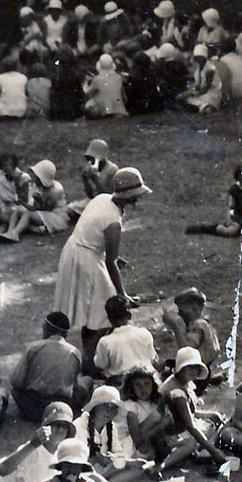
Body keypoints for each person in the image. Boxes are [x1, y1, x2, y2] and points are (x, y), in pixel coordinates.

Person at [56, 169, 152, 360]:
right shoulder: (113, 222)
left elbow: (95, 235)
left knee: (94, 309)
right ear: (129, 196)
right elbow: (110, 261)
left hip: (77, 251)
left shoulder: (102, 198)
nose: (137, 200)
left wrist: (114, 256)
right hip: (85, 259)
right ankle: (92, 360)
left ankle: (91, 356)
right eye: (135, 196)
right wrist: (122, 294)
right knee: (102, 308)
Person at [0, 402, 80, 482]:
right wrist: (32, 445)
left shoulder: (67, 455)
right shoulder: (31, 450)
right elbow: (3, 470)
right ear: (45, 427)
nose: (60, 429)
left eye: (64, 425)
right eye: (56, 424)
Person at [9, 311, 87, 422]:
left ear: (47, 329)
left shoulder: (33, 347)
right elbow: (74, 385)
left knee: (15, 391)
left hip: (33, 408)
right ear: (66, 334)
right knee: (87, 382)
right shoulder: (75, 352)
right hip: (61, 409)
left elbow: (16, 382)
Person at [92, 295, 157, 385]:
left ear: (109, 319)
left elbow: (100, 364)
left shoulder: (105, 341)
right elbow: (153, 358)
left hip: (122, 383)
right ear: (129, 316)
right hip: (148, 380)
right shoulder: (145, 333)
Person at [157, 287, 221, 366]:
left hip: (197, 369)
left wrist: (177, 326)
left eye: (182, 311)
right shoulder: (206, 325)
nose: (180, 314)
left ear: (195, 309)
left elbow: (187, 352)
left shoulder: (199, 324)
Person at [68, 139, 119, 217]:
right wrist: (85, 179)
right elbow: (90, 195)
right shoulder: (94, 169)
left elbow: (108, 196)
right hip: (95, 201)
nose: (90, 161)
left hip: (106, 205)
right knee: (68, 210)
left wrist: (95, 179)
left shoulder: (112, 169)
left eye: (92, 158)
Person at [183, 44, 228, 114]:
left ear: (205, 57)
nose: (198, 60)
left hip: (211, 93)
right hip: (201, 93)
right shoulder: (198, 68)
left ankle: (202, 108)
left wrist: (191, 93)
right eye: (197, 58)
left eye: (200, 57)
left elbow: (205, 88)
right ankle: (197, 107)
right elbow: (197, 83)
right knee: (183, 100)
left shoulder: (210, 69)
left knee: (206, 109)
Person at [84, 53, 127, 117]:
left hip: (103, 112)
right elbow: (124, 98)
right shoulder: (119, 78)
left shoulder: (97, 79)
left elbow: (88, 94)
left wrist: (85, 84)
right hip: (120, 111)